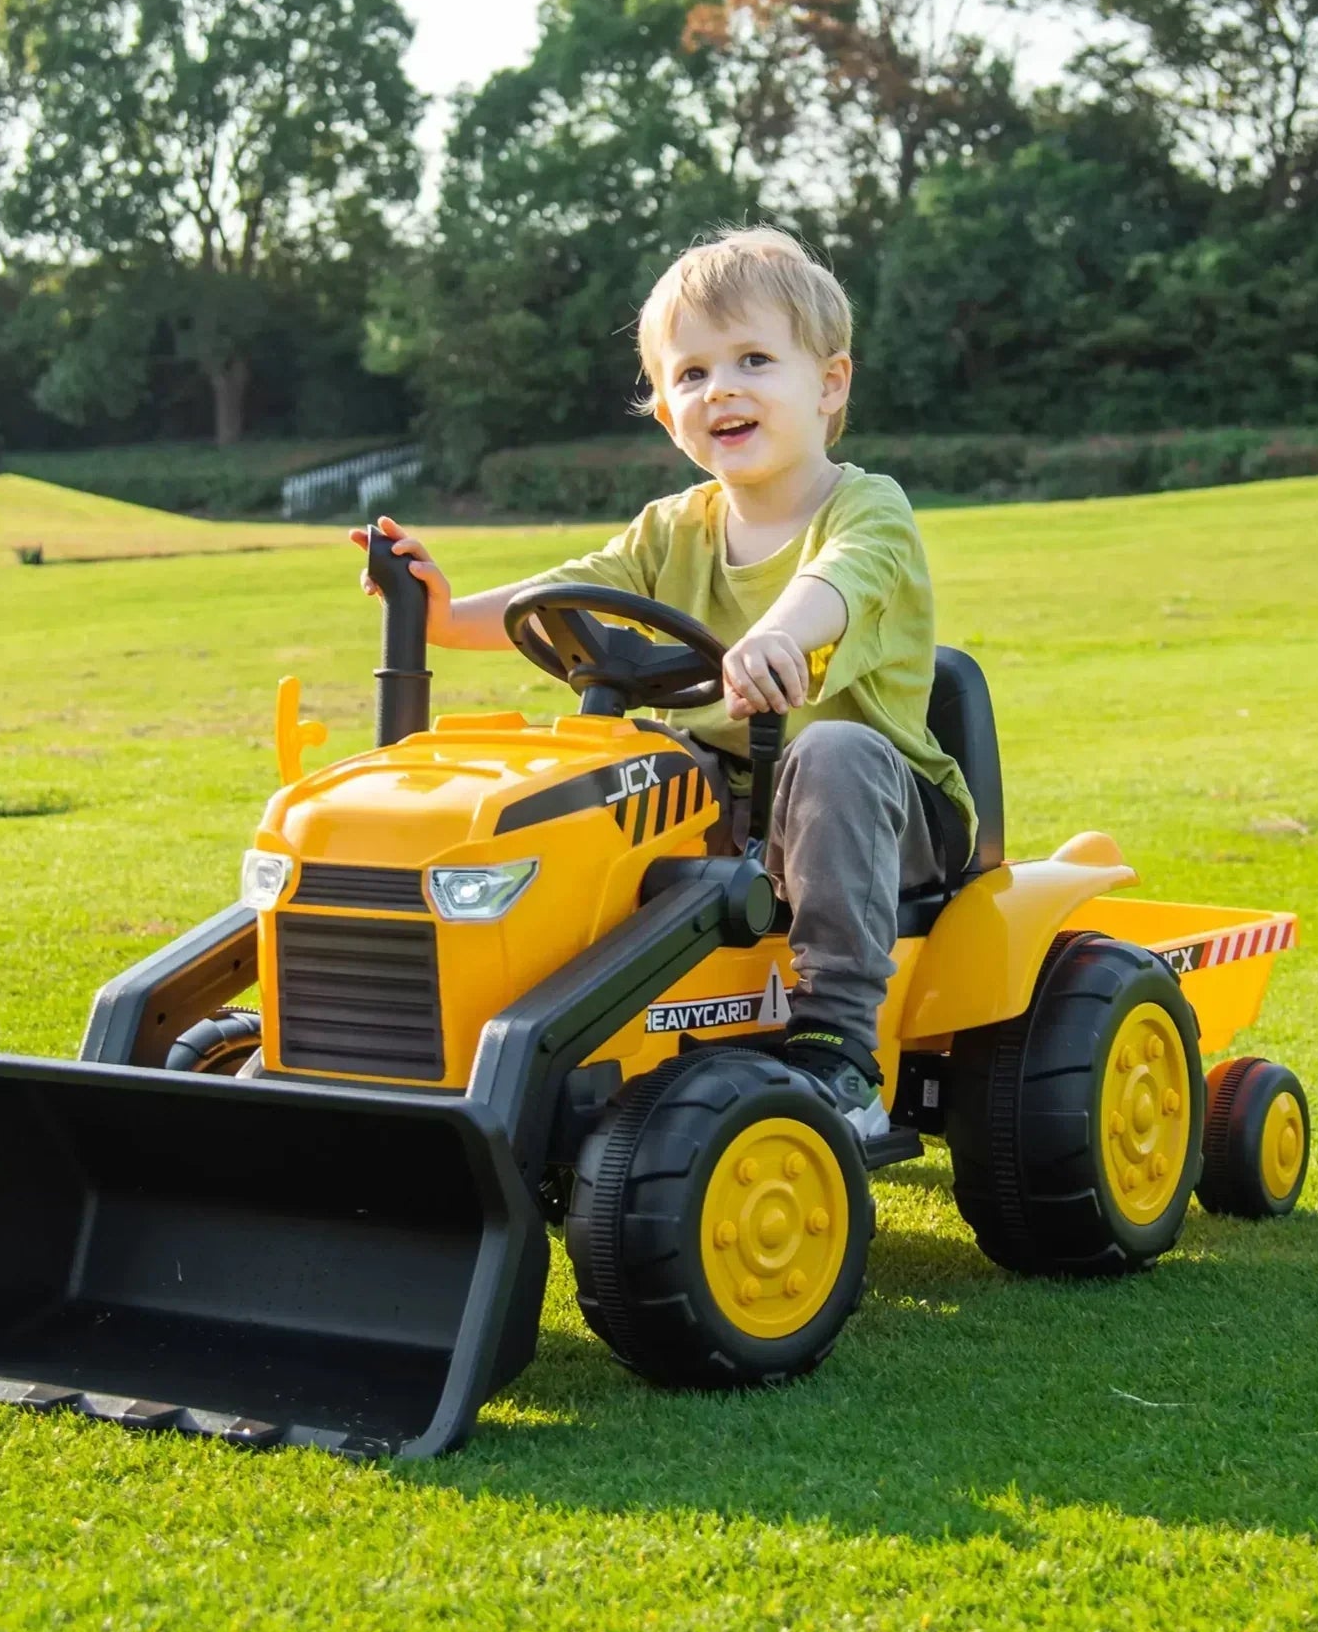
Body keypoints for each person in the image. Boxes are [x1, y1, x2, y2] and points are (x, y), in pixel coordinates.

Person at [350, 226, 974, 1140]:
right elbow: (568, 593)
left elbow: (839, 581)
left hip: (885, 811)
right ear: (664, 408)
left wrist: (775, 638)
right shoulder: (672, 528)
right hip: (729, 801)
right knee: (616, 761)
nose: (720, 388)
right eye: (690, 374)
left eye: (754, 359)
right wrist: (444, 615)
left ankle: (840, 1049)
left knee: (833, 748)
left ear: (829, 383)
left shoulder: (864, 506)